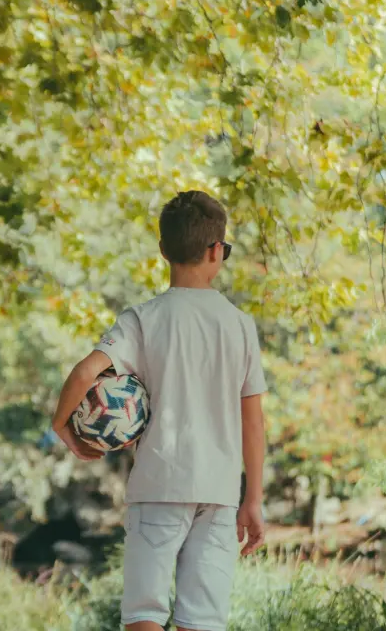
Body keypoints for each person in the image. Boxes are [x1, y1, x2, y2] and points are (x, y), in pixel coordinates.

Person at [50, 191, 267, 631]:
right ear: (216, 251)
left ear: (164, 249)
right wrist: (254, 498)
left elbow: (84, 373)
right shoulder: (240, 325)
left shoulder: (143, 319)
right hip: (220, 492)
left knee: (144, 615)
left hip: (159, 486)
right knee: (202, 620)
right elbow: (253, 420)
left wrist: (62, 425)